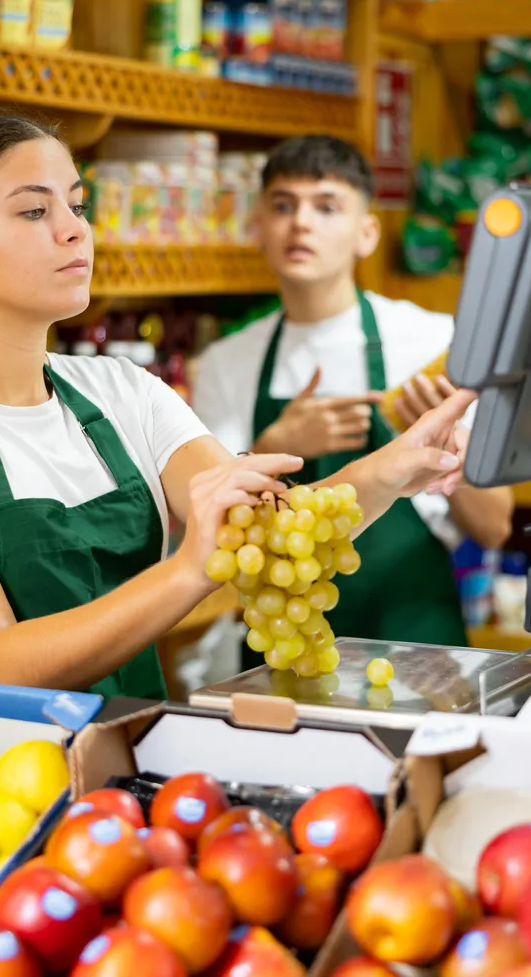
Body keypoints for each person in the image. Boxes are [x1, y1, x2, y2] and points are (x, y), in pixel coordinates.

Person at [0, 115, 476, 699]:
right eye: (35, 210)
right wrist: (188, 571)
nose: (74, 228)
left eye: (77, 204)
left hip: (132, 770)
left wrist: (395, 468)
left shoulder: (125, 391)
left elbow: (281, 538)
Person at [193, 135, 513, 656]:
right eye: (282, 205)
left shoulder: (435, 342)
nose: (301, 222)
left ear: (367, 233)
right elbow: (209, 531)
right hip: (282, 645)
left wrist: (445, 446)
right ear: (257, 227)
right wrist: (274, 441)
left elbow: (495, 526)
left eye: (326, 206)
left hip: (416, 643)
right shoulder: (229, 362)